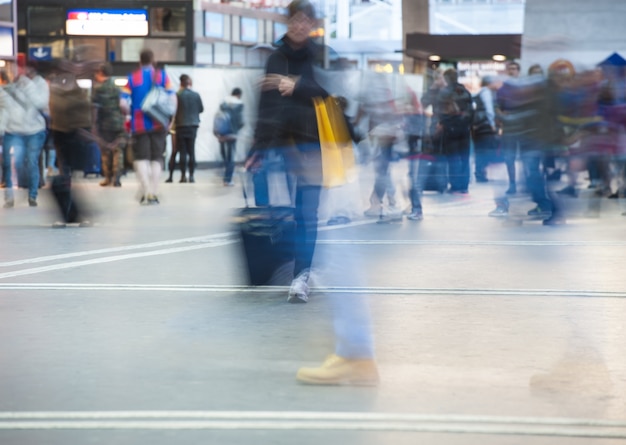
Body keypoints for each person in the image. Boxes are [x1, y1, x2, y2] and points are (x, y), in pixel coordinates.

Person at [250, 0, 378, 385]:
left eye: (306, 19)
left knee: (308, 211)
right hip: (285, 146)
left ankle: (302, 274)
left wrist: (299, 85)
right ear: (287, 22)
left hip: (318, 145)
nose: (301, 25)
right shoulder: (275, 57)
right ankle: (303, 268)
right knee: (294, 211)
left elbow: (336, 93)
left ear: (314, 24)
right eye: (295, 19)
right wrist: (257, 147)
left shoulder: (324, 55)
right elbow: (266, 103)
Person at [121, 49, 176, 205]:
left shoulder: (132, 78)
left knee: (141, 158)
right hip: (159, 122)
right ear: (153, 61)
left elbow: (123, 103)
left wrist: (127, 114)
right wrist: (170, 119)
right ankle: (153, 191)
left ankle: (145, 191)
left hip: (138, 124)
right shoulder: (163, 77)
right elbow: (173, 99)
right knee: (157, 158)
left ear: (140, 61)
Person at [0, 62, 49, 208]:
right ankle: (9, 197)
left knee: (32, 161)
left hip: (34, 130)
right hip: (12, 130)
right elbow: (4, 109)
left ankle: (32, 196)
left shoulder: (40, 85)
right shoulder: (7, 88)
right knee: (9, 163)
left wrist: (27, 86)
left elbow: (40, 103)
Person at [437, 68, 473, 194]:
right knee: (464, 157)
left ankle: (455, 185)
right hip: (464, 129)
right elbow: (471, 111)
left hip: (450, 129)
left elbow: (441, 111)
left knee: (452, 158)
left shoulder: (444, 92)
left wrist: (443, 124)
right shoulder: (465, 91)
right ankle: (464, 185)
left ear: (447, 78)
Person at [91, 62, 126, 187]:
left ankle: (108, 177)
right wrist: (123, 118)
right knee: (118, 151)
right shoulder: (117, 87)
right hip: (118, 123)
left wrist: (94, 125)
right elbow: (123, 105)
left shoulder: (97, 89)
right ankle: (117, 178)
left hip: (104, 124)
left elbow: (94, 108)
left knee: (105, 151)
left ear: (101, 72)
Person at [496, 61, 523, 195]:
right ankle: (512, 183)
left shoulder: (525, 88)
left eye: (514, 69)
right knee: (509, 157)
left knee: (527, 157)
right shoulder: (503, 90)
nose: (512, 71)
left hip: (524, 128)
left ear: (518, 71)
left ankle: (527, 183)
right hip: (509, 128)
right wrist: (502, 117)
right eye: (510, 69)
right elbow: (498, 108)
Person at [174, 74, 204, 183]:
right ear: (189, 83)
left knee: (182, 151)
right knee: (191, 151)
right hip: (193, 125)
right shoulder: (196, 95)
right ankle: (191, 176)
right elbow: (201, 109)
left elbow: (173, 110)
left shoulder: (177, 95)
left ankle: (183, 176)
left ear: (181, 83)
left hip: (180, 125)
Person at [215, 87, 244, 186]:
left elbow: (218, 117)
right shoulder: (239, 104)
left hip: (222, 133)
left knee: (225, 156)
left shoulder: (223, 103)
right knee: (231, 156)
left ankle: (225, 176)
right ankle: (228, 179)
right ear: (239, 95)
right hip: (232, 134)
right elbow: (240, 122)